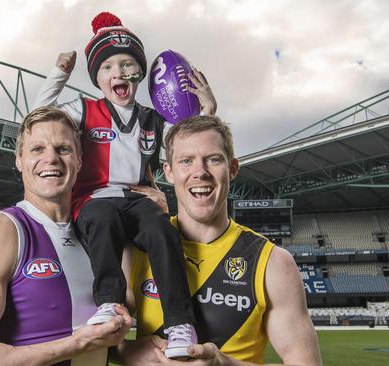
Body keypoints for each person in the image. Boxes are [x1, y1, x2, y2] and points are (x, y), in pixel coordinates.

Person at [33, 11, 218, 359]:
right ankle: (110, 303)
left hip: (138, 198)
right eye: (106, 67)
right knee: (101, 220)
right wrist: (59, 73)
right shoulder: (82, 110)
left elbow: (190, 144)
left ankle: (180, 322)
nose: (117, 72)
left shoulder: (152, 118)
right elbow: (38, 118)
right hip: (94, 198)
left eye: (127, 65)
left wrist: (206, 110)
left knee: (163, 231)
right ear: (97, 78)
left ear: (139, 74)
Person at [0, 107, 133, 366]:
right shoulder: (0, 232)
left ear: (79, 160)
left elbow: (86, 333)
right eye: (37, 149)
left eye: (63, 149)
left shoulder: (97, 236)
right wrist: (76, 344)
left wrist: (131, 352)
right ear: (19, 160)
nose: (51, 158)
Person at [117, 115, 322, 365]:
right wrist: (126, 352)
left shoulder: (273, 263)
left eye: (213, 160)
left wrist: (222, 363)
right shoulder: (138, 246)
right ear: (169, 172)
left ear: (232, 168)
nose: (199, 173)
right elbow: (95, 334)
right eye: (186, 161)